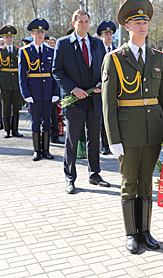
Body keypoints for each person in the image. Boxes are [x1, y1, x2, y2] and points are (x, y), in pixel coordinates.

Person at [102, 0, 163, 253]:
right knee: (129, 181)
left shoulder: (157, 57)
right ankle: (131, 233)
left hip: (152, 128)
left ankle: (145, 231)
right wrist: (113, 138)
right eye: (137, 21)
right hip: (127, 131)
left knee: (146, 181)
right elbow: (108, 103)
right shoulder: (115, 58)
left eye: (145, 21)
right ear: (127, 26)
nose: (143, 25)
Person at [52, 10, 110, 194]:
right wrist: (73, 89)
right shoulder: (63, 44)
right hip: (75, 99)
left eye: (86, 21)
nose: (84, 24)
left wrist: (102, 82)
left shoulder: (97, 44)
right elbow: (57, 71)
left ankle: (94, 174)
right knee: (72, 140)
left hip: (94, 99)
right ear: (74, 23)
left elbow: (104, 68)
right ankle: (70, 178)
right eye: (81, 21)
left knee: (94, 139)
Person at [19, 18, 59, 160]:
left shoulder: (50, 51)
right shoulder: (25, 51)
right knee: (36, 121)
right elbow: (22, 74)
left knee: (47, 121)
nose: (40, 35)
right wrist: (25, 93)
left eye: (42, 32)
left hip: (48, 92)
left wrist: (56, 92)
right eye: (37, 32)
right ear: (32, 34)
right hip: (34, 92)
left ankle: (46, 150)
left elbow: (54, 73)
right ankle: (37, 150)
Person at [0, 26, 23, 138]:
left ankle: (15, 130)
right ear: (4, 39)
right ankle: (7, 130)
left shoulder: (19, 50)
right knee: (5, 108)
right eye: (7, 37)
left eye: (11, 37)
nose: (9, 39)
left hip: (16, 83)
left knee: (16, 107)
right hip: (4, 83)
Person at [96, 20, 117, 155]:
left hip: (115, 90)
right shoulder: (97, 51)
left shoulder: (117, 51)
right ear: (100, 36)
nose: (109, 37)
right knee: (104, 119)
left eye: (110, 34)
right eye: (106, 34)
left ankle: (113, 144)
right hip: (100, 90)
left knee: (114, 117)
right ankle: (104, 145)